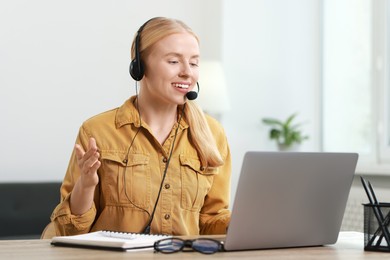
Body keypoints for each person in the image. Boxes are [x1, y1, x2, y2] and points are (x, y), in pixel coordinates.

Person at [50, 17, 231, 236]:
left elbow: (211, 220)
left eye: (193, 63)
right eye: (174, 61)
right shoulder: (96, 131)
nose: (187, 72)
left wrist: (249, 222)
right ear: (139, 66)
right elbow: (68, 229)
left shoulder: (213, 134)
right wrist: (86, 186)